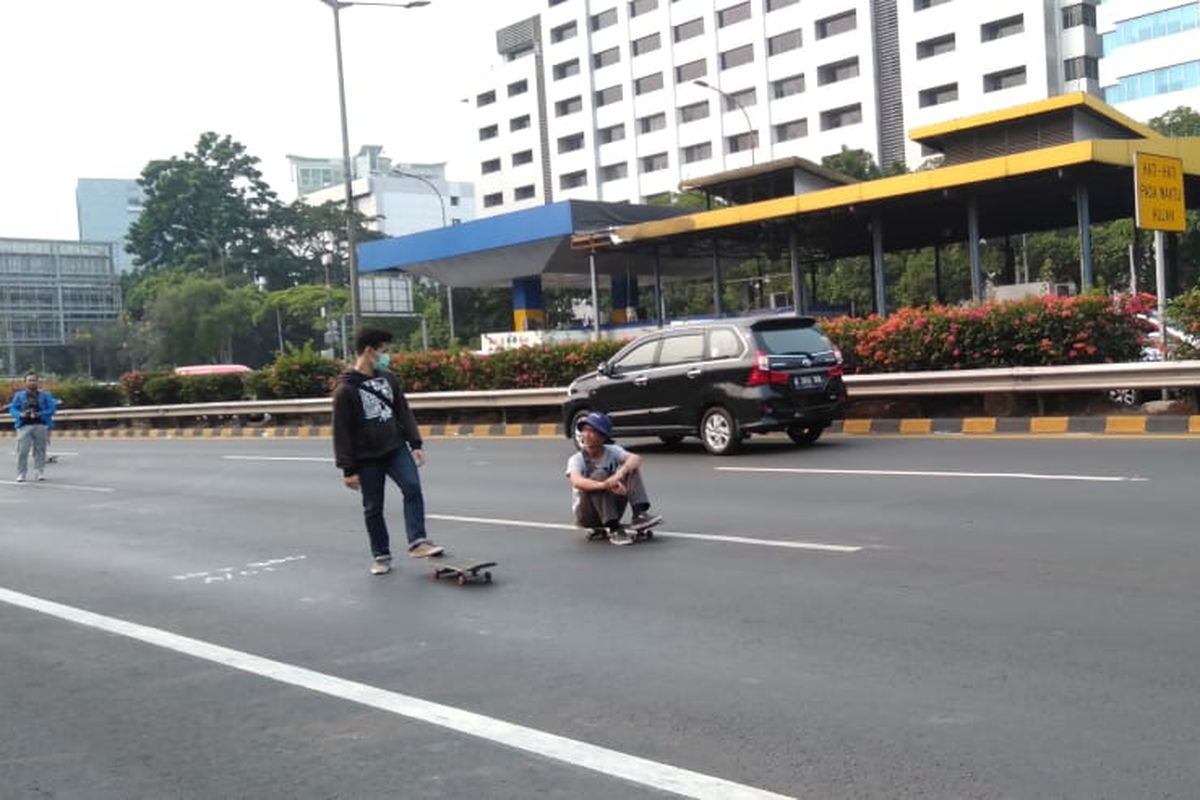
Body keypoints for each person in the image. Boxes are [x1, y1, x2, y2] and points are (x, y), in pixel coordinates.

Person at [332, 329, 444, 575]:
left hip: (395, 448)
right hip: (366, 458)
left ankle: (418, 541)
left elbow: (403, 411)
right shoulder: (345, 390)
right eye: (383, 350)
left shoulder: (388, 378)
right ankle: (381, 555)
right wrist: (348, 469)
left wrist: (415, 444)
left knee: (412, 487)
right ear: (369, 351)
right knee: (373, 507)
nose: (386, 356)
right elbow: (341, 431)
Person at [565, 412, 663, 545]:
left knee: (630, 468)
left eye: (592, 431)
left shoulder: (612, 451)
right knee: (599, 474)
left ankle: (639, 514)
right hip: (588, 513)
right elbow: (577, 481)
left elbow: (635, 458)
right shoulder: (577, 459)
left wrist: (619, 474)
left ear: (603, 436)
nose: (586, 435)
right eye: (584, 431)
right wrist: (605, 485)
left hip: (612, 506)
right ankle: (613, 528)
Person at [9, 373, 57, 483]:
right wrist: (20, 414)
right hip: (24, 426)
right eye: (30, 380)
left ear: (38, 382)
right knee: (22, 450)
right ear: (25, 382)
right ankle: (21, 473)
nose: (32, 382)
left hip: (40, 425)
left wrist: (39, 414)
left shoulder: (45, 395)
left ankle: (39, 471)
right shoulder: (19, 395)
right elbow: (12, 409)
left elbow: (52, 409)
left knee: (40, 449)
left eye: (34, 380)